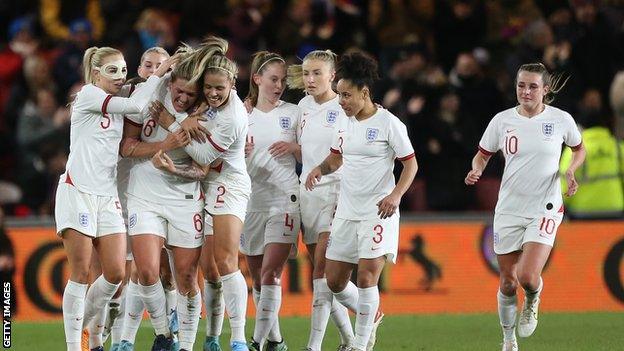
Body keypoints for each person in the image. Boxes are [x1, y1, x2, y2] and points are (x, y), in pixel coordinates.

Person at [54, 46, 172, 351]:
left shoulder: (118, 102)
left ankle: (86, 328)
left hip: (107, 196)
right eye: (112, 71)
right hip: (77, 190)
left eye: (122, 70)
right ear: (95, 73)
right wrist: (161, 71)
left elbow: (139, 107)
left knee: (117, 273)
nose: (120, 76)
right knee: (81, 273)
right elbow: (137, 105)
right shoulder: (89, 95)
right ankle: (74, 345)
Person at [464, 63, 586, 351]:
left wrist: (571, 171)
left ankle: (533, 299)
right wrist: (477, 169)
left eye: (533, 86)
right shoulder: (502, 121)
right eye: (521, 85)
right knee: (507, 282)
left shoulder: (560, 120)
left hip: (544, 206)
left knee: (528, 277)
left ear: (545, 90)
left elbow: (578, 148)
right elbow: (482, 154)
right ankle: (508, 340)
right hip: (508, 207)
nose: (526, 91)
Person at [305, 51, 417, 351]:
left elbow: (411, 165)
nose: (341, 101)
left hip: (378, 213)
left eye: (346, 95)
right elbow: (336, 158)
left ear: (364, 93)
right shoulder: (344, 121)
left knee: (368, 277)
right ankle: (373, 314)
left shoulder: (389, 123)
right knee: (334, 282)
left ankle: (360, 343)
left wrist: (395, 195)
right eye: (339, 95)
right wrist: (319, 168)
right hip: (346, 212)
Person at [151, 36, 251, 351]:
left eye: (219, 88)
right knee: (209, 268)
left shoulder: (233, 116)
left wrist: (172, 122)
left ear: (233, 83)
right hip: (202, 185)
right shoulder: (206, 101)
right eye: (208, 87)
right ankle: (211, 338)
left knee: (225, 260)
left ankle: (238, 339)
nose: (212, 93)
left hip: (229, 184)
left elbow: (204, 156)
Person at [120, 45, 207, 351]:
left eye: (190, 95)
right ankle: (163, 336)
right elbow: (127, 146)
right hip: (144, 193)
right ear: (170, 82)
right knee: (145, 270)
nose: (183, 98)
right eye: (179, 91)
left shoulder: (206, 111)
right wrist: (167, 143)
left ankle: (186, 345)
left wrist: (174, 128)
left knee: (185, 277)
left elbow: (205, 165)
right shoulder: (147, 99)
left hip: (185, 199)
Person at [287, 49, 356, 351]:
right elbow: (309, 149)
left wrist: (319, 169)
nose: (310, 79)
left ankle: (313, 346)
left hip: (336, 191)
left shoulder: (342, 108)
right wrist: (292, 149)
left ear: (332, 76)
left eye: (317, 73)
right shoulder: (302, 106)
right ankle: (352, 337)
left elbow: (340, 157)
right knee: (324, 275)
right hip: (308, 192)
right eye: (306, 73)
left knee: (323, 271)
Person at [243, 51, 299, 351]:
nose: (279, 85)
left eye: (283, 80)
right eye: (273, 79)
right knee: (257, 279)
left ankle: (256, 342)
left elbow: (316, 150)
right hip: (251, 201)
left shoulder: (295, 112)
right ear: (257, 79)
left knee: (271, 273)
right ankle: (275, 340)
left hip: (286, 199)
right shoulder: (241, 113)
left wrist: (295, 146)